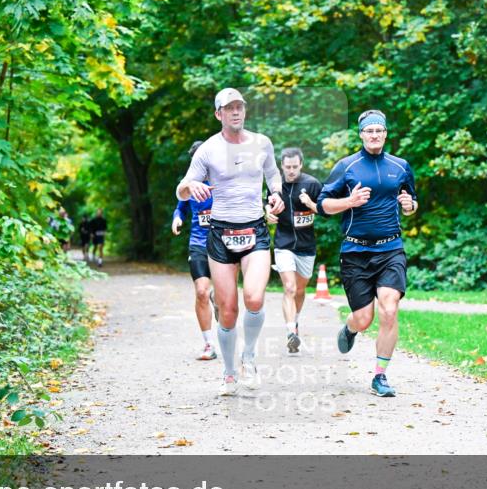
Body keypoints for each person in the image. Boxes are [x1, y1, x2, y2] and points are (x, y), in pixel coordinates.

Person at [176, 88, 284, 395]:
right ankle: (228, 371)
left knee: (254, 298)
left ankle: (248, 355)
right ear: (218, 114)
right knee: (228, 310)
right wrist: (191, 187)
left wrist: (275, 194)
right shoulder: (207, 150)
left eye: (240, 106)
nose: (236, 111)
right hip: (221, 233)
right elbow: (182, 189)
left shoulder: (262, 143)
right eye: (229, 108)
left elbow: (273, 175)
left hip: (254, 230)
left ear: (245, 111)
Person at [316, 109, 418, 397]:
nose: (374, 135)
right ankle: (350, 328)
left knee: (389, 309)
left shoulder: (401, 167)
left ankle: (380, 376)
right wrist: (349, 201)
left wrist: (410, 205)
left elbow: (411, 203)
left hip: (390, 249)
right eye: (369, 131)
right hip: (355, 252)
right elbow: (323, 205)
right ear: (361, 134)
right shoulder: (347, 166)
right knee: (364, 319)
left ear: (386, 134)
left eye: (379, 131)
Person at [265, 147, 322, 354]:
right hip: (284, 243)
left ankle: (294, 323)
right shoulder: (275, 185)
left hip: (307, 247)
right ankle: (290, 333)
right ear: (281, 166)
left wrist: (311, 204)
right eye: (287, 167)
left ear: (301, 165)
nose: (291, 171)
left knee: (299, 290)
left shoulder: (312, 184)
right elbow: (265, 205)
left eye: (294, 167)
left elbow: (326, 210)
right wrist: (267, 213)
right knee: (289, 287)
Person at [173, 140, 218, 361]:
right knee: (201, 291)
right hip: (198, 242)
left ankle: (219, 305)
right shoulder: (188, 185)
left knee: (221, 297)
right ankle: (209, 343)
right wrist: (177, 219)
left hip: (223, 243)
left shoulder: (223, 178)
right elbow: (180, 207)